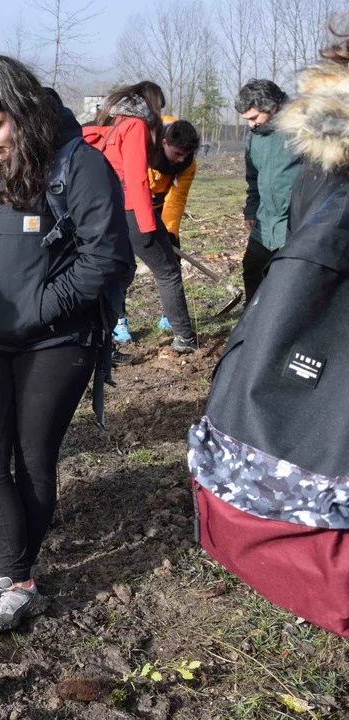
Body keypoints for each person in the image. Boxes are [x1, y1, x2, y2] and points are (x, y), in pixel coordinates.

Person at [0, 54, 132, 632]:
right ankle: (14, 571)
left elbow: (105, 256)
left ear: (20, 111)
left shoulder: (78, 165)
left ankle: (17, 580)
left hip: (58, 339)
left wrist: (39, 308)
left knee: (32, 455)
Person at [188, 38, 349, 638]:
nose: (252, 123)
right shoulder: (316, 152)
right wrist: (257, 217)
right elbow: (267, 187)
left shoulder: (310, 144)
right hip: (289, 245)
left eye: (257, 115)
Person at [83, 82, 199, 355]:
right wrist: (147, 227)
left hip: (103, 208)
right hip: (131, 208)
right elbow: (136, 178)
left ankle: (107, 339)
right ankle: (184, 338)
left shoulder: (108, 122)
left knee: (117, 271)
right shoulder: (135, 126)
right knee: (168, 271)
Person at [235, 79, 302, 301]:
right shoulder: (254, 137)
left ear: (272, 107)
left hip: (296, 222)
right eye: (247, 119)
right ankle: (252, 317)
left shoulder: (302, 127)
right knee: (252, 269)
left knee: (289, 281)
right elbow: (253, 177)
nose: (251, 125)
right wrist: (251, 209)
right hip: (265, 222)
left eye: (254, 118)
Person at [148, 118, 200, 331]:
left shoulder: (188, 163)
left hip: (162, 205)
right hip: (129, 205)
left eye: (186, 155)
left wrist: (168, 232)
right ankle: (119, 321)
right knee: (122, 264)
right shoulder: (144, 144)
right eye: (177, 153)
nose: (181, 159)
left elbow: (177, 199)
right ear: (164, 143)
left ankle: (170, 315)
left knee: (171, 262)